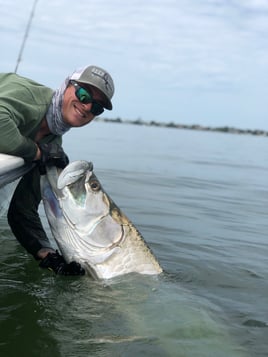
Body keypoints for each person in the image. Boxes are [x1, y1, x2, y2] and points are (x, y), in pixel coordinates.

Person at [0, 65, 114, 275]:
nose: (87, 107)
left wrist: (48, 254)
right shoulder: (28, 96)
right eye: (83, 95)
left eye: (97, 107)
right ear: (67, 85)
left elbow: (22, 211)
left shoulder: (52, 144)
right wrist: (35, 153)